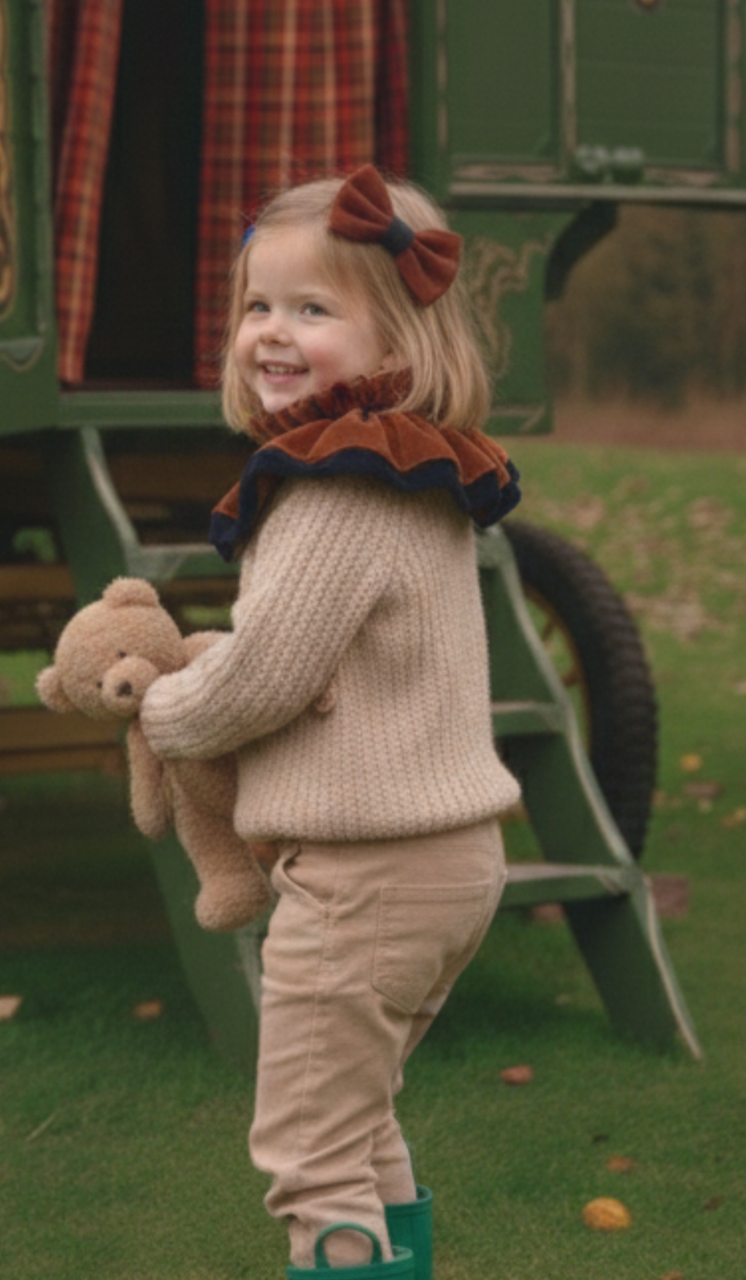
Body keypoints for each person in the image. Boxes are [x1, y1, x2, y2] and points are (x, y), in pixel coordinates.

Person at [141, 164, 522, 1278]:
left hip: (366, 877)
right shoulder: (408, 475)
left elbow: (263, 676)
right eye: (259, 304)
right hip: (445, 863)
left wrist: (169, 707)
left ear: (399, 328)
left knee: (309, 1152)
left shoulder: (338, 482)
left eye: (313, 309)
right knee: (358, 1120)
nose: (273, 331)